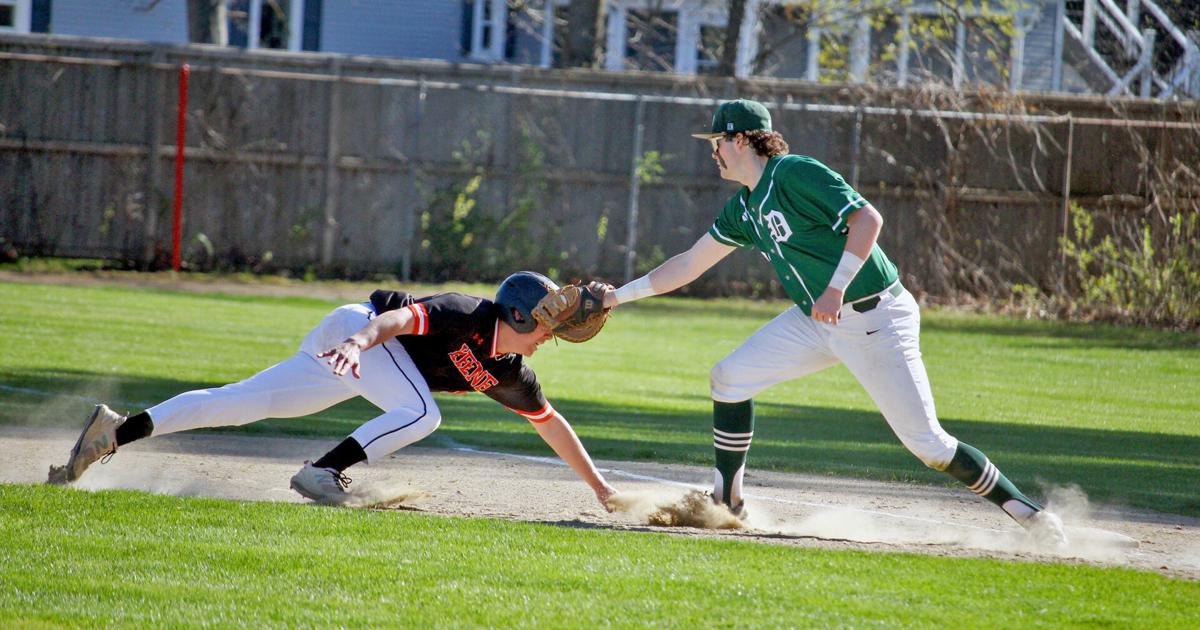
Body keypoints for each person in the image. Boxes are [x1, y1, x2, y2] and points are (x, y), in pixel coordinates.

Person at [601, 99, 1066, 544]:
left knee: (930, 446)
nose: (713, 152)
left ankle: (1031, 514)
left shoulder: (795, 173)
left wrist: (836, 286)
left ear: (742, 140)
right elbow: (688, 264)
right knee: (730, 377)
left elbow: (868, 219)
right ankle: (728, 503)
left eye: (717, 141)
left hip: (875, 317)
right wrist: (617, 298)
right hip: (818, 320)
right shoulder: (744, 206)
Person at [51, 272, 618, 511]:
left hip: (361, 353)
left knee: (244, 402)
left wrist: (599, 487)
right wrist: (357, 342)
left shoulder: (510, 371)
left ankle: (114, 432)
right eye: (545, 325)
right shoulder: (467, 311)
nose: (550, 335)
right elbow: (398, 322)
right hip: (359, 329)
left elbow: (549, 422)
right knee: (421, 412)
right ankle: (321, 472)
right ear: (517, 312)